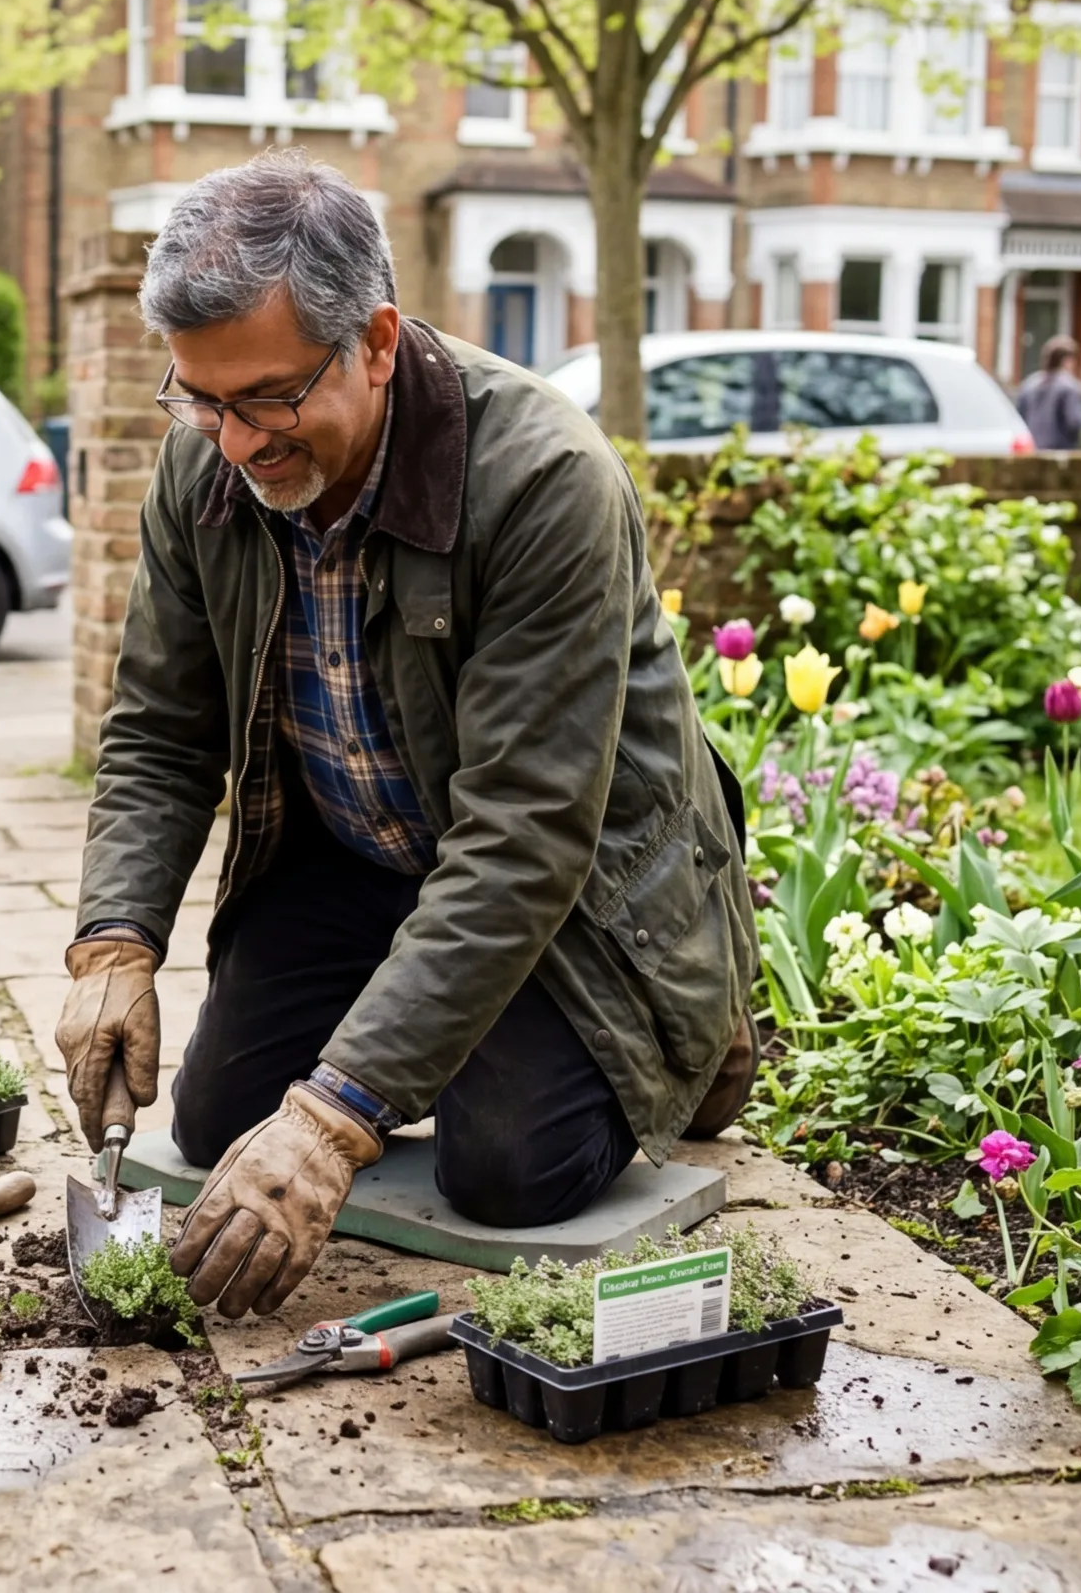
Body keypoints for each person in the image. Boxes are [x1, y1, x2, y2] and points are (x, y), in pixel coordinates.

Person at [52, 151, 758, 1321]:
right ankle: (412, 1020)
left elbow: (525, 835)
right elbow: (157, 734)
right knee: (219, 1127)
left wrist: (334, 1121)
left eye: (268, 399)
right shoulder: (202, 468)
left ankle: (696, 1023)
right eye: (200, 400)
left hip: (570, 887)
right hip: (352, 853)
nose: (233, 443)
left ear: (376, 341)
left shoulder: (542, 477)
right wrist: (114, 943)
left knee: (506, 1174)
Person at [1016, 336, 1081, 450]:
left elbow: (1019, 416)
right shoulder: (1069, 386)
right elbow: (1075, 422)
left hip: (1034, 450)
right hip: (1060, 454)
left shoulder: (1029, 384)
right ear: (1067, 360)